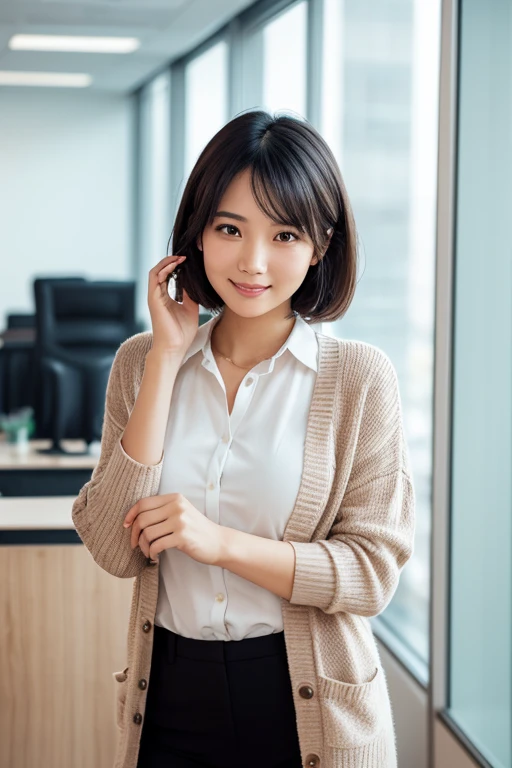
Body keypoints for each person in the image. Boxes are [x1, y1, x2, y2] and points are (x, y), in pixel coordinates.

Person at [72, 109, 416, 768]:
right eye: (230, 229)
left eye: (284, 234)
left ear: (320, 246)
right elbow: (115, 550)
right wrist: (167, 362)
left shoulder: (360, 380)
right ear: (197, 234)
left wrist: (220, 544)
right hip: (170, 695)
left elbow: (371, 575)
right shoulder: (142, 362)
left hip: (303, 703)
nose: (253, 262)